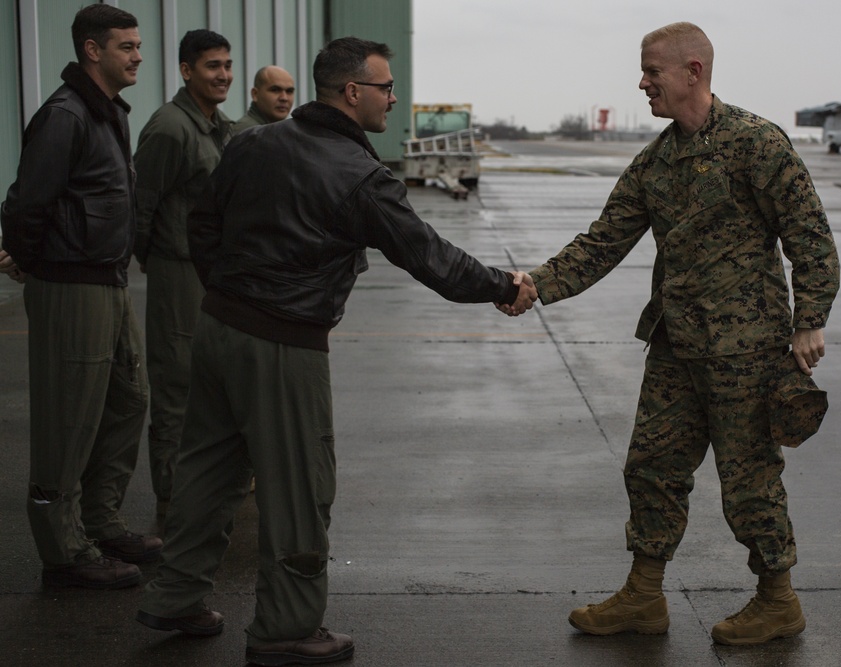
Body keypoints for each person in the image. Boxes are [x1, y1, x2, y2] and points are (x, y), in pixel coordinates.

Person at [136, 37, 536, 665]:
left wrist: (228, 291)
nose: (394, 97)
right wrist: (502, 285)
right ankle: (286, 627)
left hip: (217, 329)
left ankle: (175, 594)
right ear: (353, 92)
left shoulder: (250, 143)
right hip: (283, 343)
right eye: (386, 87)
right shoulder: (360, 175)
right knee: (299, 482)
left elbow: (201, 224)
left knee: (207, 468)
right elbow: (430, 256)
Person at [506, 22, 839, 645]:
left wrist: (810, 319)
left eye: (651, 71)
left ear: (693, 71)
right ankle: (643, 595)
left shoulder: (755, 143)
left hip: (745, 351)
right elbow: (603, 241)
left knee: (749, 481)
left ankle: (777, 600)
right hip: (676, 346)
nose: (642, 82)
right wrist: (534, 285)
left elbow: (810, 235)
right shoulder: (657, 160)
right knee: (652, 468)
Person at [0, 3, 160, 589]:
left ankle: (100, 519)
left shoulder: (107, 113)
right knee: (67, 420)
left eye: (138, 45)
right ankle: (64, 551)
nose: (139, 55)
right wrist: (39, 267)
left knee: (128, 398)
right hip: (72, 285)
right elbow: (24, 206)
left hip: (110, 281)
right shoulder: (66, 116)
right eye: (127, 46)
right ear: (92, 50)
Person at [132, 29, 234, 518]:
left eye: (228, 65)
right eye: (213, 66)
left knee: (209, 383)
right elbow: (140, 204)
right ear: (186, 70)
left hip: (210, 273)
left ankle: (201, 485)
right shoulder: (170, 127)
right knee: (175, 385)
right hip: (176, 270)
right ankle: (172, 498)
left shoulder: (218, 126)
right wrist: (153, 259)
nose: (224, 75)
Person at [232, 65, 295, 133]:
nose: (284, 98)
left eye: (289, 91)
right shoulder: (247, 133)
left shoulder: (280, 131)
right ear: (255, 94)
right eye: (275, 90)